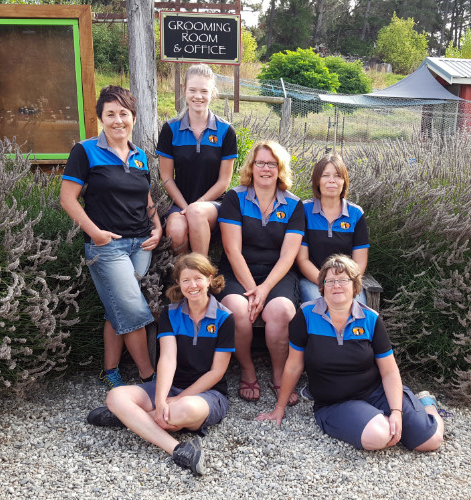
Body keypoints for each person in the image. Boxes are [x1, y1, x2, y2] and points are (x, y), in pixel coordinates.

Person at [257, 254, 445, 452]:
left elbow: (389, 371)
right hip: (336, 403)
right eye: (330, 281)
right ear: (322, 286)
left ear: (355, 285)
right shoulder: (305, 316)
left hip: (376, 392)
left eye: (343, 280)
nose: (336, 285)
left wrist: (396, 412)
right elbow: (294, 366)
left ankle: (427, 406)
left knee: (430, 441)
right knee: (379, 435)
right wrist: (279, 409)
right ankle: (378, 418)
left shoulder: (371, 319)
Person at [89, 253, 235, 475]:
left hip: (208, 394)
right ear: (178, 283)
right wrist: (161, 399)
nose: (192, 285)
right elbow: (168, 359)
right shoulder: (170, 313)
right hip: (170, 386)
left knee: (183, 409)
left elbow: (217, 372)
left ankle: (128, 419)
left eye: (198, 278)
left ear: (209, 279)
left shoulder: (225, 318)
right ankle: (178, 449)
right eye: (186, 280)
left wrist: (177, 399)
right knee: (115, 396)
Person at [60, 85, 161, 388]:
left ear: (134, 118)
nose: (118, 120)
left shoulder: (140, 155)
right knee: (132, 309)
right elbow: (67, 199)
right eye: (111, 114)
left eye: (124, 113)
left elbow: (146, 198)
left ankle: (110, 371)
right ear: (101, 118)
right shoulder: (85, 151)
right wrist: (96, 234)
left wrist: (157, 227)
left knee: (116, 307)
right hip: (107, 247)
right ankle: (149, 378)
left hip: (141, 245)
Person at [218, 140, 305, 405]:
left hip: (277, 274)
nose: (266, 169)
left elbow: (289, 255)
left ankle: (279, 374)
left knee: (281, 311)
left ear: (280, 169)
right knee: (237, 309)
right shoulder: (234, 198)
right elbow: (232, 250)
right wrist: (252, 291)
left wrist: (264, 289)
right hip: (237, 270)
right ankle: (247, 370)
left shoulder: (294, 204)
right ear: (251, 167)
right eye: (260, 163)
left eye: (272, 164)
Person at [156, 63, 238, 255]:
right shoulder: (170, 129)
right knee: (176, 230)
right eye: (192, 90)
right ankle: (184, 271)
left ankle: (201, 269)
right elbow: (166, 177)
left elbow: (224, 181)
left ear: (212, 93)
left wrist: (196, 205)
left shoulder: (226, 131)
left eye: (204, 91)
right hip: (179, 203)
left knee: (197, 212)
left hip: (213, 204)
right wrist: (186, 207)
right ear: (184, 89)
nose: (198, 96)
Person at [297, 154, 369, 304]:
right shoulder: (303, 210)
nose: (332, 180)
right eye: (325, 175)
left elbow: (360, 262)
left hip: (346, 282)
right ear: (317, 180)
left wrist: (344, 283)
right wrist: (326, 283)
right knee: (322, 305)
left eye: (337, 176)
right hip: (313, 281)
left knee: (357, 308)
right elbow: (302, 260)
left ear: (344, 181)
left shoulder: (355, 214)